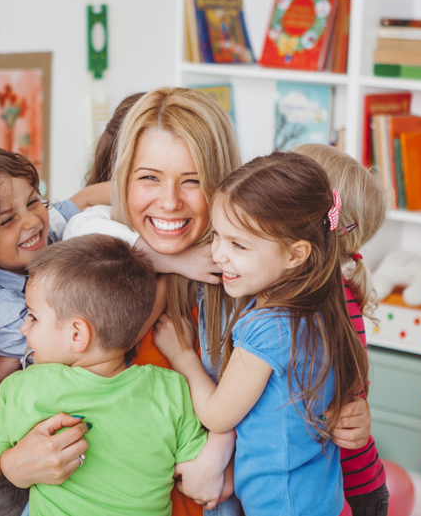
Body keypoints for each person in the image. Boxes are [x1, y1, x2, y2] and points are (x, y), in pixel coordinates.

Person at [64, 87, 373, 514]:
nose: (169, 201)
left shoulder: (253, 281)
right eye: (149, 177)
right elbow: (73, 219)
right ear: (123, 182)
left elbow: (316, 393)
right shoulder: (86, 272)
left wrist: (352, 415)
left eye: (192, 181)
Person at [152, 151, 371, 516]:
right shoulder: (323, 305)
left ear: (295, 255)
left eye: (238, 245)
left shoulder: (268, 328)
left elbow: (219, 416)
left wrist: (183, 357)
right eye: (217, 236)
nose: (219, 255)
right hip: (319, 499)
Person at [0, 234, 210, 516]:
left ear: (78, 334)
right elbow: (196, 470)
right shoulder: (172, 389)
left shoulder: (25, 388)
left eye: (33, 317)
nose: (24, 329)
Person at [0, 139, 108, 516]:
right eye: (7, 220)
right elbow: (81, 339)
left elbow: (82, 199)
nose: (32, 221)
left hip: (42, 435)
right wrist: (171, 267)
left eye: (34, 201)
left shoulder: (38, 237)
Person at [294, 143, 389, 516]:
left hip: (355, 489)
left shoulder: (331, 299)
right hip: (354, 479)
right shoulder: (329, 289)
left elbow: (351, 392)